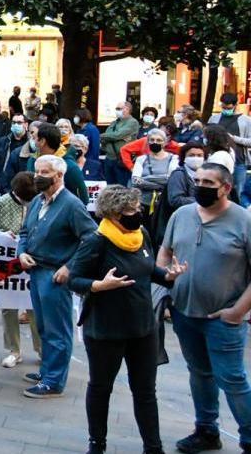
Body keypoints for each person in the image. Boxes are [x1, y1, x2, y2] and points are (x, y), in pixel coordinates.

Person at [68, 185, 186, 454]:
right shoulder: (96, 241)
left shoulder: (141, 235)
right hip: (106, 329)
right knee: (100, 387)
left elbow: (148, 271)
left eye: (137, 208)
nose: (137, 214)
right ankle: (97, 444)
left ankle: (153, 447)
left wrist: (168, 275)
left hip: (143, 328)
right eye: (130, 210)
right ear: (114, 214)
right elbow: (73, 280)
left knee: (145, 391)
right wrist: (99, 285)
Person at [157, 163, 251, 453]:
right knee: (199, 372)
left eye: (208, 182)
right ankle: (207, 430)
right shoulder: (182, 215)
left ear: (226, 188)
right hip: (185, 312)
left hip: (223, 317)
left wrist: (237, 312)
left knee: (232, 378)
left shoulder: (243, 221)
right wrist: (164, 279)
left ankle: (249, 436)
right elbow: (165, 250)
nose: (200, 186)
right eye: (197, 180)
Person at [17, 154, 97, 398]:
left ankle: (54, 380)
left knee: (57, 329)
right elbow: (24, 231)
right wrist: (22, 253)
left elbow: (92, 238)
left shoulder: (72, 205)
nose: (37, 177)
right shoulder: (37, 201)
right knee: (43, 324)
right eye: (36, 172)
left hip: (55, 274)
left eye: (43, 173)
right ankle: (48, 369)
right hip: (36, 269)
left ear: (59, 175)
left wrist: (70, 267)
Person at [0, 171, 40, 369]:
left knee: (34, 306)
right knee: (9, 307)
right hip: (7, 265)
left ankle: (41, 349)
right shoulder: (2, 203)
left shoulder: (39, 202)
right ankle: (14, 350)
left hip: (32, 261)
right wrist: (3, 234)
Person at [208, 92, 251, 207]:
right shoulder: (214, 118)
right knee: (218, 189)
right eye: (223, 107)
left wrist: (234, 139)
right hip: (218, 161)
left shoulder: (245, 120)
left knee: (238, 191)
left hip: (239, 161)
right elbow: (207, 137)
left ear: (235, 105)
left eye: (229, 108)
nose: (226, 109)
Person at [31, 123, 89, 204]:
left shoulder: (70, 167)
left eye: (34, 138)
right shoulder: (32, 160)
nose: (32, 141)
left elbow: (83, 199)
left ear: (42, 141)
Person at [101, 101, 139, 186]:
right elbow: (107, 137)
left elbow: (117, 135)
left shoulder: (132, 122)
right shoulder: (114, 122)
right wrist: (110, 137)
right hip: (109, 158)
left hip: (121, 159)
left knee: (122, 188)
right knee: (110, 187)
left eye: (119, 109)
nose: (116, 111)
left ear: (127, 109)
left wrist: (107, 136)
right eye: (116, 109)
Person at [167, 142, 208, 214]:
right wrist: (202, 200)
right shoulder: (178, 174)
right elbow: (175, 200)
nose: (196, 158)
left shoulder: (207, 174)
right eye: (191, 155)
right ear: (184, 158)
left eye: (199, 155)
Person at [0, 114, 29, 196]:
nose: (16, 125)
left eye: (19, 122)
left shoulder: (30, 143)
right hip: (4, 185)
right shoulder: (3, 141)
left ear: (26, 125)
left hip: (24, 185)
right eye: (14, 122)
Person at [74, 108, 104, 179]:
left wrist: (92, 163)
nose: (75, 118)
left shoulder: (92, 129)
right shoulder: (80, 130)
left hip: (90, 161)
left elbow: (95, 148)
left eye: (76, 116)